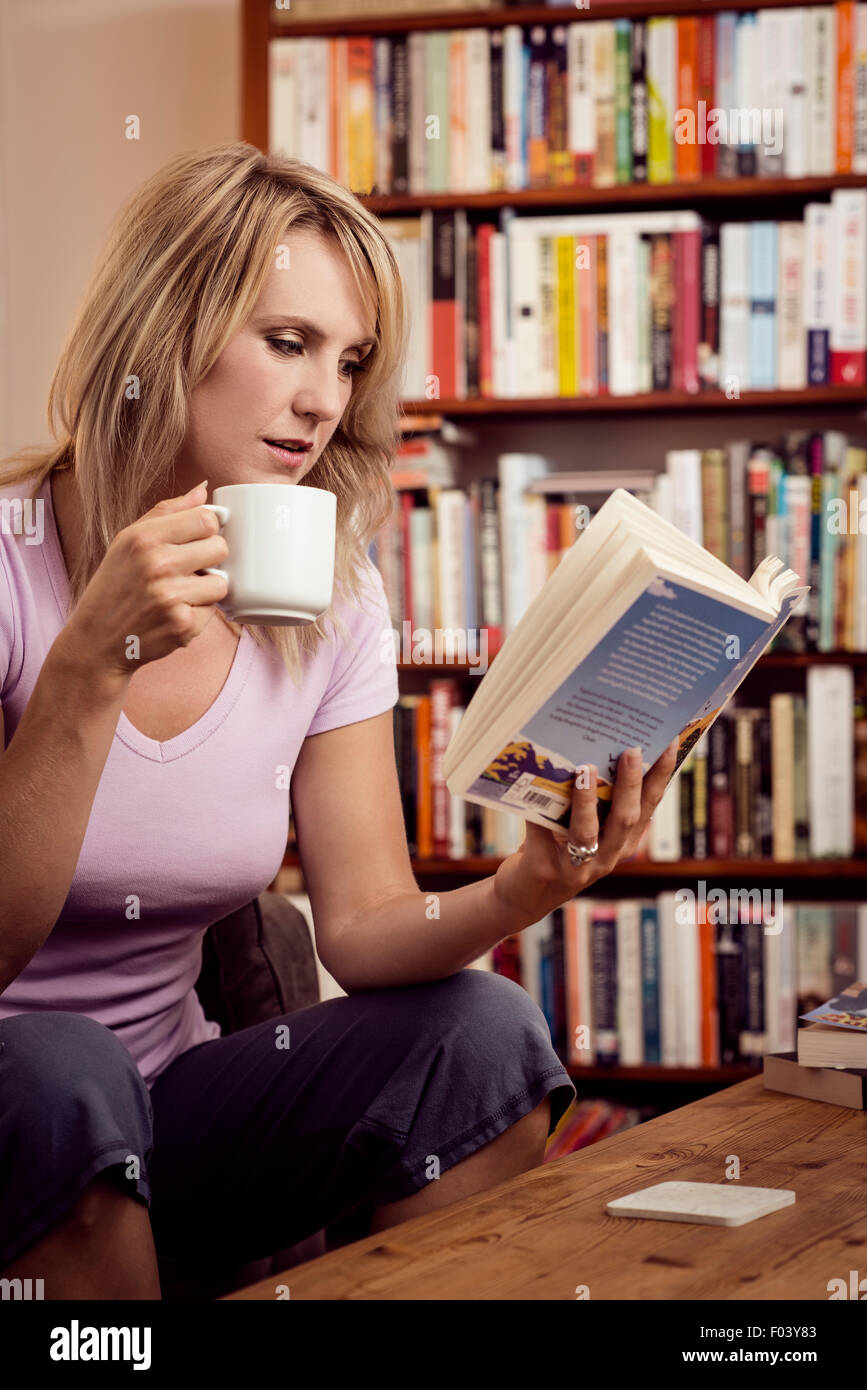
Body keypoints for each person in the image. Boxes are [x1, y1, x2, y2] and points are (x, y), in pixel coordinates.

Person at [0, 143, 677, 1300]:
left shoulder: (329, 595)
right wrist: (85, 671)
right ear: (168, 325)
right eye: (288, 341)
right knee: (67, 1076)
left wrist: (526, 888)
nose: (325, 398)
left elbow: (361, 923)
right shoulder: (15, 568)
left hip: (171, 1117)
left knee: (483, 1031)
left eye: (350, 358)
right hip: (28, 1113)